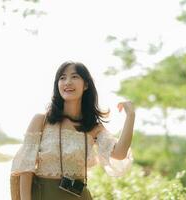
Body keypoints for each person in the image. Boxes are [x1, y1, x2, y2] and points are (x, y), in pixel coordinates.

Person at [10, 61, 135, 200]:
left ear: (86, 85)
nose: (67, 82)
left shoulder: (93, 127)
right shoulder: (41, 120)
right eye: (62, 78)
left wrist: (131, 116)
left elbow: (119, 153)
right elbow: (26, 168)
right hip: (44, 194)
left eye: (74, 77)